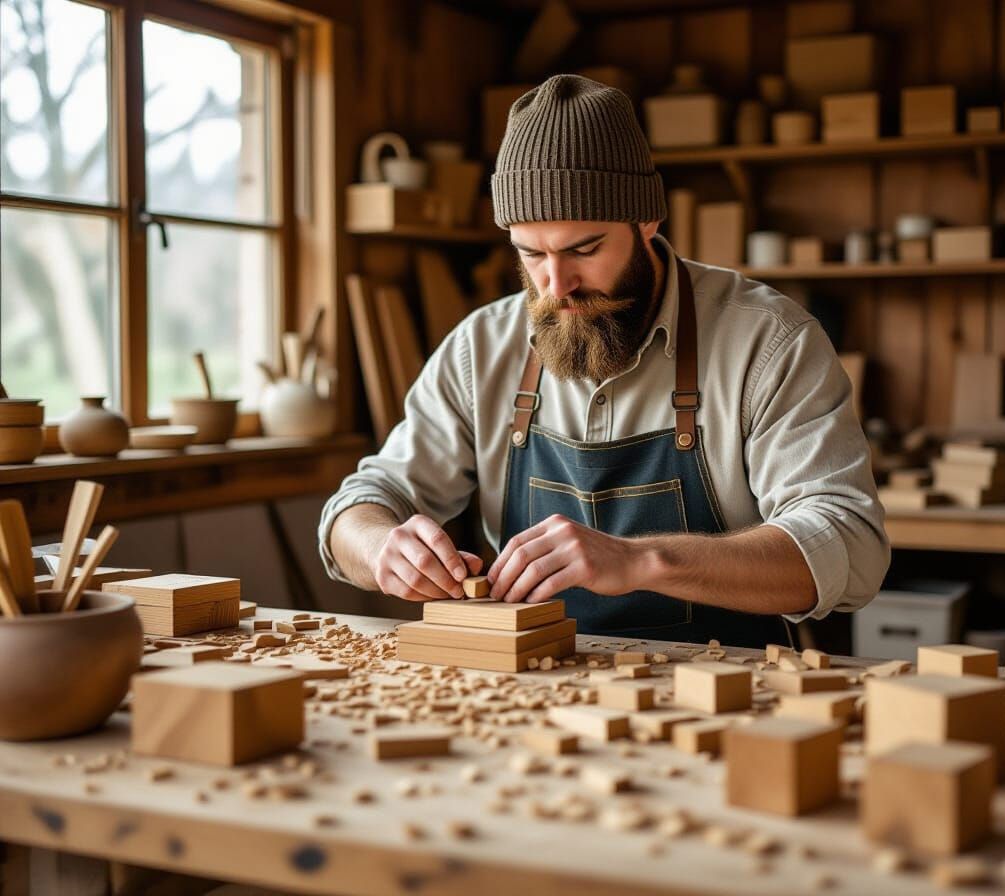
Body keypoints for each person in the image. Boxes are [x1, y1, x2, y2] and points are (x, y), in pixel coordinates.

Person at [320, 74, 889, 647]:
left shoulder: (768, 342)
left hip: (727, 697)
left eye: (583, 250)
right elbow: (359, 507)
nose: (556, 285)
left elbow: (849, 543)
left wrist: (642, 561)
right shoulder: (481, 349)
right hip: (532, 689)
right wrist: (382, 548)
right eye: (530, 254)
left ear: (647, 222)